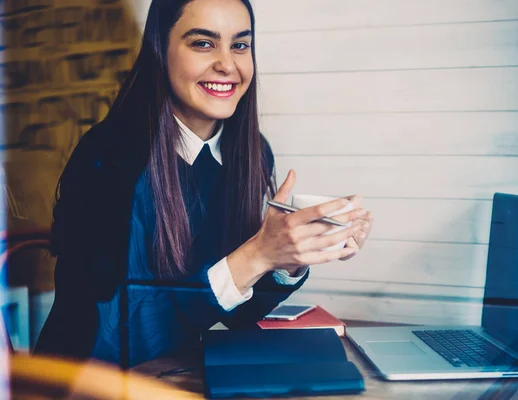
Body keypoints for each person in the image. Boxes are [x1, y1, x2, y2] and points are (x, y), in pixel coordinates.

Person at [35, 0, 373, 367]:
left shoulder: (252, 152)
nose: (227, 64)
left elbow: (234, 311)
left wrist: (286, 258)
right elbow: (113, 339)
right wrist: (256, 254)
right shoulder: (108, 159)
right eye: (203, 43)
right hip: (80, 382)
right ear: (159, 52)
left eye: (240, 45)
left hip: (179, 372)